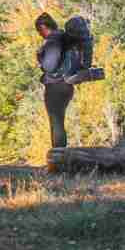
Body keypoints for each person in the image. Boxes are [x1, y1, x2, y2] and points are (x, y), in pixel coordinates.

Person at [35, 12, 74, 148]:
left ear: (44, 27)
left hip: (56, 86)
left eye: (39, 31)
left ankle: (59, 158)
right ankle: (60, 157)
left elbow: (49, 66)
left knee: (56, 122)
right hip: (67, 84)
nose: (40, 34)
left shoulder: (53, 41)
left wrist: (40, 58)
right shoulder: (63, 38)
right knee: (59, 122)